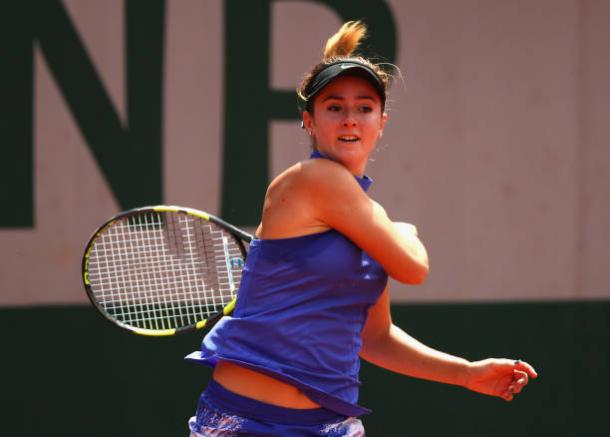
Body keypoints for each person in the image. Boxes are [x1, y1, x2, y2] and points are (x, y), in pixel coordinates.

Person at [185, 21, 538, 436]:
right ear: (309, 121)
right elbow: (413, 267)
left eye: (364, 107)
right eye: (334, 107)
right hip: (246, 422)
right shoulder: (313, 179)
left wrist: (464, 373)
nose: (350, 119)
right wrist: (406, 233)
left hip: (329, 425)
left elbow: (376, 337)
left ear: (382, 122)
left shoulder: (368, 218)